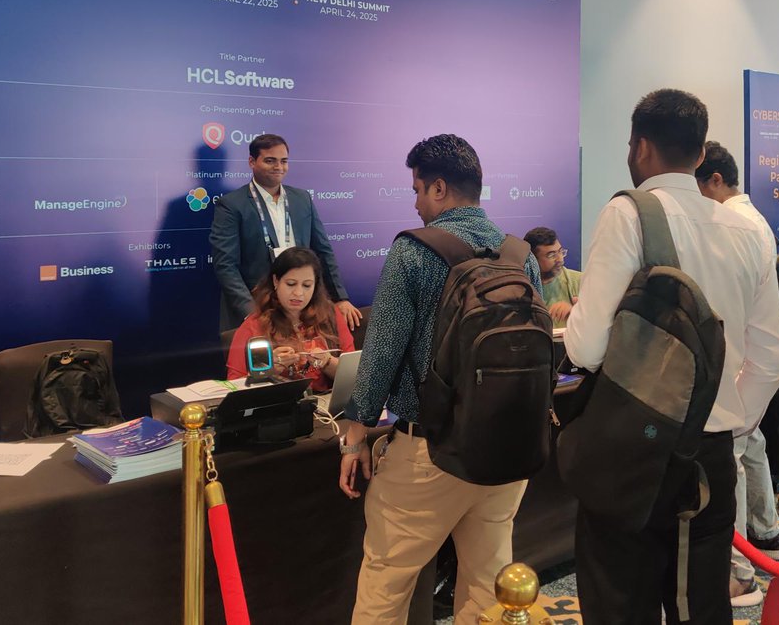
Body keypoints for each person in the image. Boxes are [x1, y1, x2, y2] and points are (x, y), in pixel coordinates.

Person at [564, 90, 779, 625]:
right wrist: (727, 423)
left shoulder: (629, 213)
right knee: (702, 607)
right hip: (711, 457)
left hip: (633, 453)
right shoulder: (746, 229)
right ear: (700, 151)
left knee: (621, 603)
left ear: (640, 147)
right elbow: (772, 359)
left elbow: (586, 346)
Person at [337, 134, 542, 623]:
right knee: (490, 585)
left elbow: (382, 350)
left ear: (439, 188)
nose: (414, 201)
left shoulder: (413, 252)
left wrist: (356, 431)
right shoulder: (521, 256)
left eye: (417, 188)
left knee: (387, 579)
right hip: (508, 447)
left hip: (430, 451)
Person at [694, 140, 779, 606]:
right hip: (747, 371)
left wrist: (739, 406)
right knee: (751, 449)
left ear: (714, 180)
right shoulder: (752, 223)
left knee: (728, 464)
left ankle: (739, 573)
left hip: (740, 371)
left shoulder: (738, 225)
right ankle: (768, 536)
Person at [209, 133, 360, 332]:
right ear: (252, 162)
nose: (279, 167)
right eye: (270, 161)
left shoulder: (302, 199)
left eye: (284, 161)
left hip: (301, 304)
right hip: (257, 308)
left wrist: (340, 298)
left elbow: (323, 251)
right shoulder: (231, 205)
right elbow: (226, 266)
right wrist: (252, 313)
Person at [225, 247, 354, 388]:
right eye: (291, 284)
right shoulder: (253, 326)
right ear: (276, 281)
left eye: (307, 285)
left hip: (325, 405)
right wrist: (267, 371)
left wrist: (328, 362)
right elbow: (234, 387)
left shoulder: (331, 314)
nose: (298, 293)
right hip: (278, 407)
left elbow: (354, 375)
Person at [524, 226, 582, 325]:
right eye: (551, 255)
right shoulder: (519, 287)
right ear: (532, 260)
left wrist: (576, 313)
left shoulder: (580, 281)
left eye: (560, 252)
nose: (560, 259)